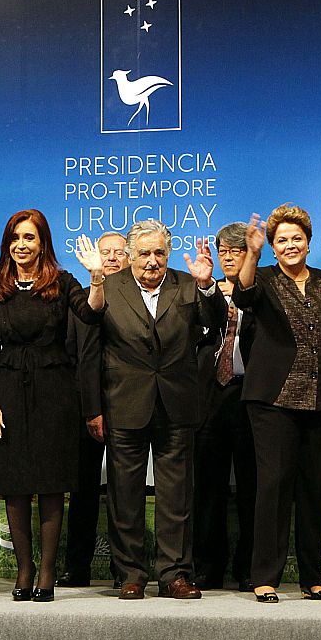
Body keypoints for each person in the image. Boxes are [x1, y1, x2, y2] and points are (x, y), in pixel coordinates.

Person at [89, 219, 226, 599]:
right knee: (125, 496)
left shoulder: (187, 283)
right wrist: (94, 407)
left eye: (159, 253)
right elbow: (90, 342)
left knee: (177, 497)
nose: (152, 261)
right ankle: (131, 574)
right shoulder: (108, 286)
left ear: (168, 254)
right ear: (130, 255)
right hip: (124, 403)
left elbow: (214, 322)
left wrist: (206, 286)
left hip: (177, 404)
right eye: (145, 253)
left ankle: (174, 574)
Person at [234, 207, 321, 603]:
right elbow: (243, 295)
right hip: (272, 400)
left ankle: (312, 577)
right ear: (272, 246)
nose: (290, 245)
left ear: (309, 241)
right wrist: (251, 255)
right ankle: (265, 577)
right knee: (272, 488)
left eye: (297, 238)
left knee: (312, 490)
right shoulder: (264, 278)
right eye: (281, 240)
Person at [0, 210, 103, 600]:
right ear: (7, 244)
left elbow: (92, 312)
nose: (21, 245)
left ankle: (47, 573)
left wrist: (97, 276)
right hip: (10, 393)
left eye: (29, 238)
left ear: (42, 243)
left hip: (55, 392)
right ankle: (24, 571)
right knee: (15, 484)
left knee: (51, 485)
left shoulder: (63, 284)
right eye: (15, 238)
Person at [58, 229, 128, 588]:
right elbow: (80, 357)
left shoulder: (141, 299)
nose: (112, 257)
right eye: (106, 252)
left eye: (119, 252)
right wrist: (90, 410)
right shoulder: (81, 302)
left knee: (123, 493)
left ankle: (123, 570)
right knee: (83, 492)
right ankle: (77, 566)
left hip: (131, 407)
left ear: (130, 258)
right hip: (87, 409)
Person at [193, 222, 258, 592]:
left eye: (237, 249)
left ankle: (249, 567)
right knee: (207, 489)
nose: (229, 256)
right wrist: (205, 288)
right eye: (224, 251)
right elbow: (204, 323)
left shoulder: (259, 291)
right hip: (210, 397)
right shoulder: (203, 290)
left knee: (251, 487)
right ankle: (207, 566)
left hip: (249, 395)